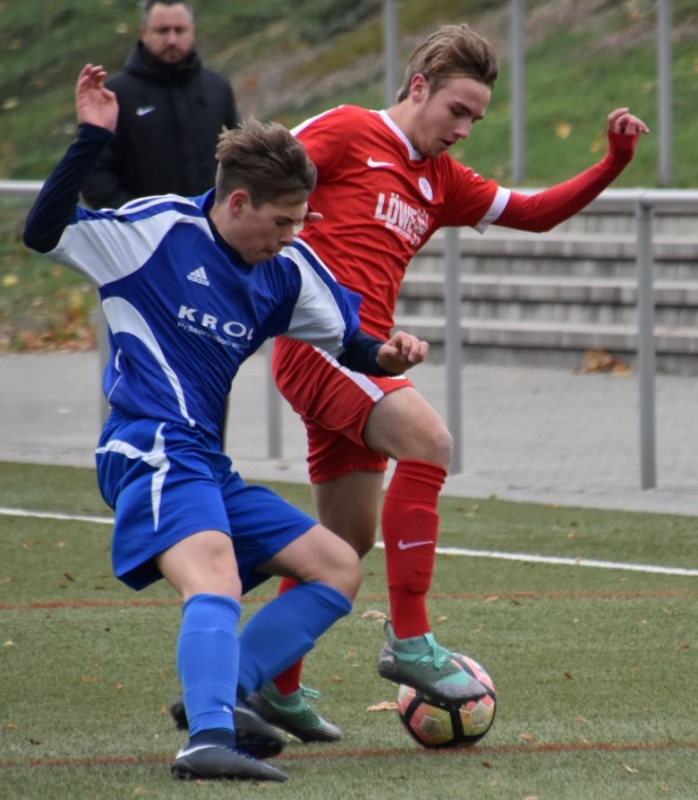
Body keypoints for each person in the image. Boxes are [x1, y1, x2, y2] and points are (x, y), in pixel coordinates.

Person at [236, 23, 650, 743]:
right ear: (419, 86)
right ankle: (410, 639)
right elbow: (253, 173)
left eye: (475, 120)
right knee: (429, 440)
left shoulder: (442, 181)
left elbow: (534, 213)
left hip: (368, 360)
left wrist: (613, 162)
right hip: (323, 349)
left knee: (341, 546)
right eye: (456, 110)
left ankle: (273, 683)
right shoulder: (348, 131)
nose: (462, 129)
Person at [23, 64, 428, 782]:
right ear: (237, 202)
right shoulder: (154, 232)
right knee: (213, 573)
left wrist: (386, 354)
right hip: (148, 446)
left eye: (301, 221)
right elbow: (43, 231)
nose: (292, 235)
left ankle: (220, 693)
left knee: (336, 565)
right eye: (282, 222)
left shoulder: (286, 270)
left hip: (204, 463)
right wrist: (91, 139)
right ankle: (207, 742)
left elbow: (348, 339)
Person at [81, 0, 238, 209]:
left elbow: (238, 162)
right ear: (143, 32)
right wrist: (140, 218)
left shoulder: (217, 89)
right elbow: (94, 173)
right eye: (162, 31)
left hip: (211, 225)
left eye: (179, 30)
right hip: (142, 227)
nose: (171, 40)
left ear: (193, 31)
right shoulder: (116, 95)